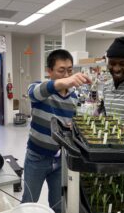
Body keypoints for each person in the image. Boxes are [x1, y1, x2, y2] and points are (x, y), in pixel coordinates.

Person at [21, 49, 91, 213]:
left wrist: (72, 128)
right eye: (61, 70)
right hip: (36, 158)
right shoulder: (40, 89)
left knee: (58, 204)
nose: (67, 74)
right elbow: (33, 93)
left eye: (69, 70)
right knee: (29, 201)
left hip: (60, 160)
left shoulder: (74, 97)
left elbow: (72, 124)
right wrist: (64, 82)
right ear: (49, 71)